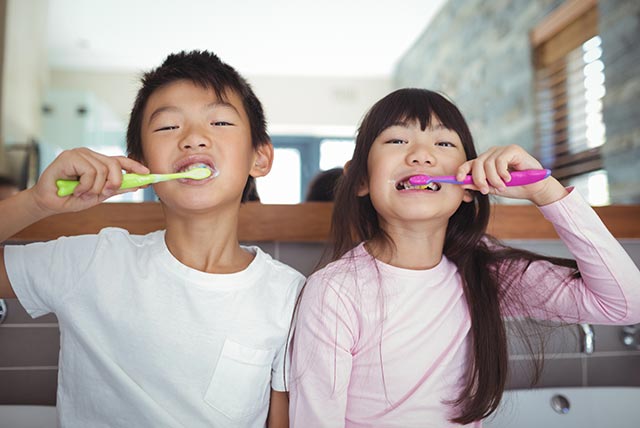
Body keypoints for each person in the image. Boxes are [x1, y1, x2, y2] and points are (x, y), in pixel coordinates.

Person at [288, 88, 640, 427]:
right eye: (397, 140)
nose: (421, 155)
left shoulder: (487, 272)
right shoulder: (333, 292)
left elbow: (626, 304)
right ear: (361, 179)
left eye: (443, 143)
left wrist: (544, 191)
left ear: (470, 185)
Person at [0, 51, 304, 427]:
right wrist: (36, 202)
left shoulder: (290, 295)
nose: (194, 139)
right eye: (168, 127)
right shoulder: (96, 261)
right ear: (138, 166)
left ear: (259, 158)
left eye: (220, 121)